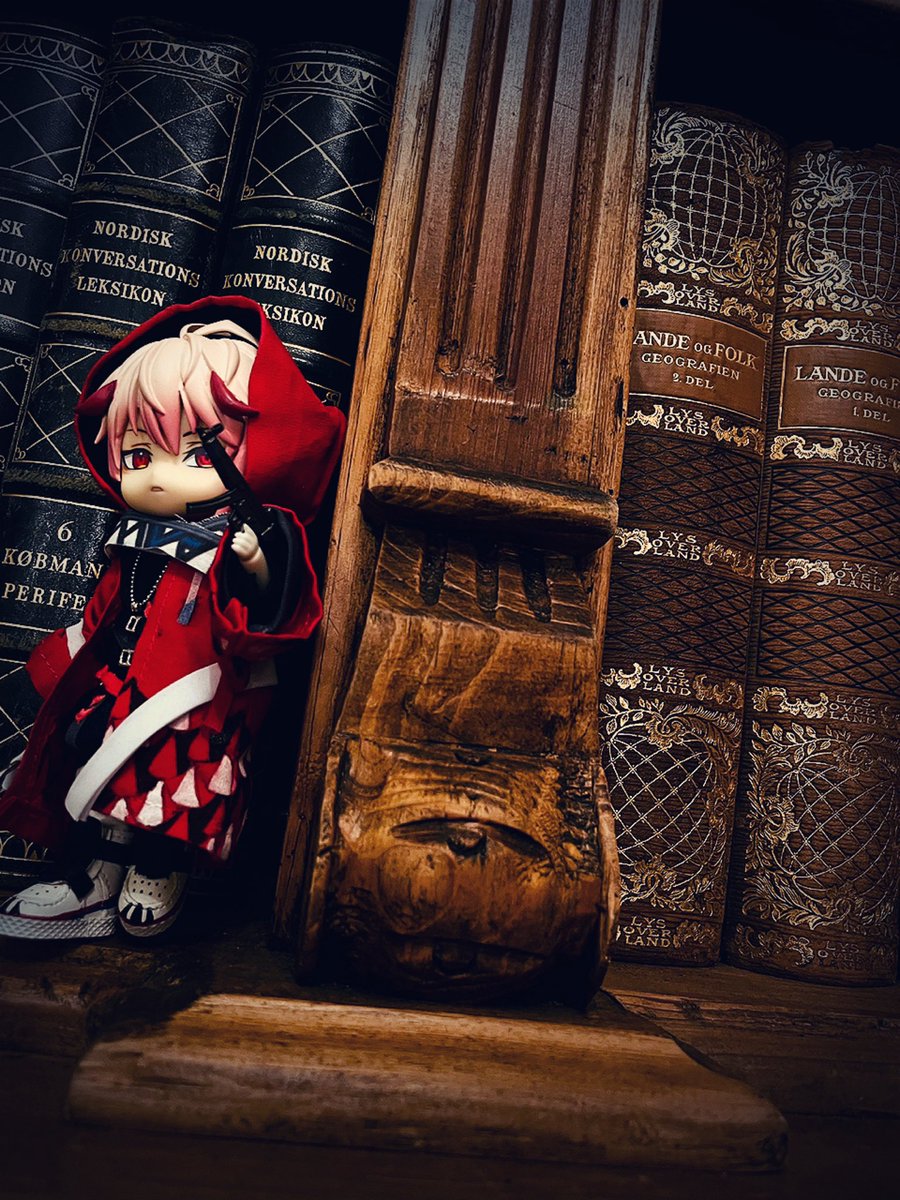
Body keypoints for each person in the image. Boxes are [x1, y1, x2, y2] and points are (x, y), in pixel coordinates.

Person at [0, 296, 345, 939]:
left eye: (196, 453)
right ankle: (95, 878)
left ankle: (159, 870)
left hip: (196, 695)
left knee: (171, 788)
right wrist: (71, 658)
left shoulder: (245, 536)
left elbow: (274, 618)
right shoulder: (133, 540)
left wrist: (256, 566)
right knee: (105, 781)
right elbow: (107, 610)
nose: (158, 477)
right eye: (138, 456)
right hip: (124, 681)